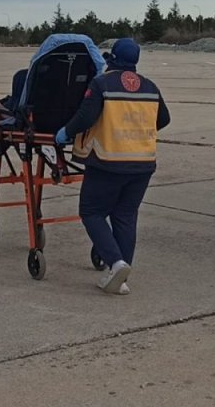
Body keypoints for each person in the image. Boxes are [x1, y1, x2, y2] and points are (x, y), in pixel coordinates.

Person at [54, 39, 170, 294]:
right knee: (125, 215)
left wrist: (66, 133)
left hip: (108, 161)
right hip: (142, 163)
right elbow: (164, 118)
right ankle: (120, 274)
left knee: (91, 211)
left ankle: (116, 263)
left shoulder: (102, 84)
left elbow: (85, 116)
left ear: (112, 59)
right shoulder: (150, 87)